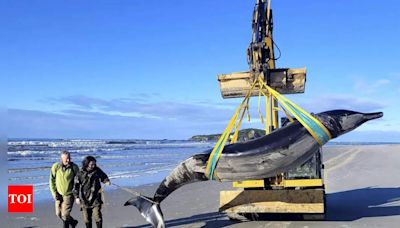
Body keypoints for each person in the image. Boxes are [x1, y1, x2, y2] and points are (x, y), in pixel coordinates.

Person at [73, 156, 110, 228]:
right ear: (86, 164)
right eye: (92, 164)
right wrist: (76, 197)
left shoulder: (97, 170)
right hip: (84, 200)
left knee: (97, 216)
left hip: (96, 198)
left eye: (94, 164)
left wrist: (106, 181)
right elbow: (76, 186)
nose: (93, 166)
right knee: (87, 218)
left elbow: (104, 177)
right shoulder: (80, 173)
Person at [49, 150, 80, 228]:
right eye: (66, 158)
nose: (68, 160)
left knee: (65, 214)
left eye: (69, 158)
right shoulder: (55, 167)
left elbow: (78, 181)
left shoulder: (74, 167)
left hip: (69, 194)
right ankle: (73, 222)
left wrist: (77, 196)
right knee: (58, 214)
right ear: (61, 158)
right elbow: (51, 180)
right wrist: (54, 193)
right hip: (58, 194)